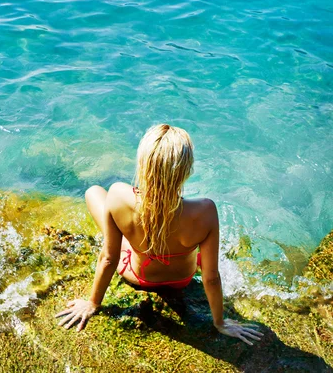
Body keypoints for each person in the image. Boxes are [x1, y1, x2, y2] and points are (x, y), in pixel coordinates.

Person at [55, 124, 263, 345]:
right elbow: (211, 277)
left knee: (93, 192)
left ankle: (126, 233)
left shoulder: (118, 193)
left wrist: (93, 303)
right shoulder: (205, 210)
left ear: (143, 165)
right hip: (182, 280)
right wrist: (220, 322)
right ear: (186, 171)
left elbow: (109, 258)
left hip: (139, 276)